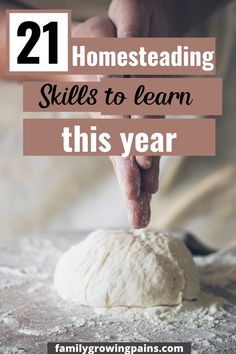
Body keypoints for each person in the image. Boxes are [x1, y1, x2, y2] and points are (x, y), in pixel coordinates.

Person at [0, 0, 236, 247]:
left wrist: (171, 10)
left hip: (199, 65)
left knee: (208, 265)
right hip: (30, 116)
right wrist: (68, 52)